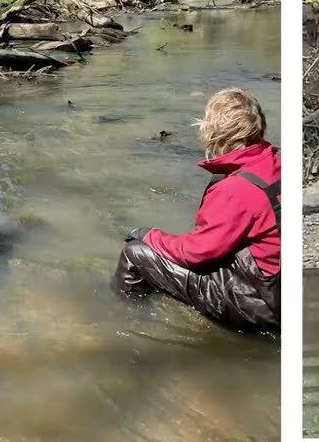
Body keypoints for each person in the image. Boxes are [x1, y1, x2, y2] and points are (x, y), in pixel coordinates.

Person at [112, 87, 280, 333]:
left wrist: (148, 235)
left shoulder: (234, 189)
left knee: (134, 253)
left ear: (214, 133)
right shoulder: (277, 159)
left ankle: (127, 323)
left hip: (264, 307)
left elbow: (197, 253)